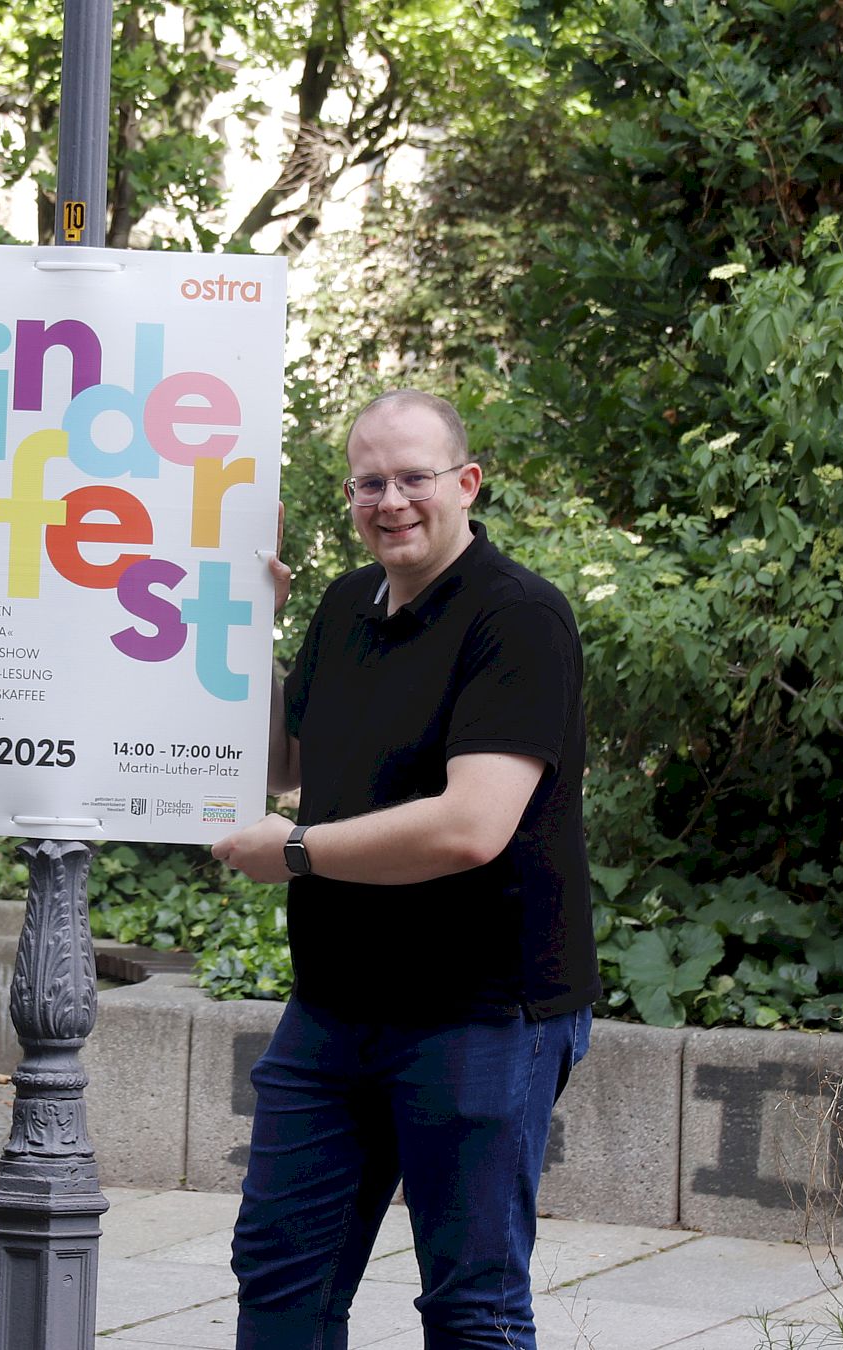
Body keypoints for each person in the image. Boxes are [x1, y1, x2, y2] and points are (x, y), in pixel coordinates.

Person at [210, 390, 596, 1349]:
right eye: (369, 482)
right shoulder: (345, 606)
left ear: (466, 483)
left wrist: (294, 853)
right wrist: (248, 626)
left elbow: (472, 827)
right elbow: (281, 766)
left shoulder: (520, 620)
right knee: (279, 1277)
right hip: (335, 1006)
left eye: (414, 478)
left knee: (471, 1303)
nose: (391, 501)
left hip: (481, 1012)